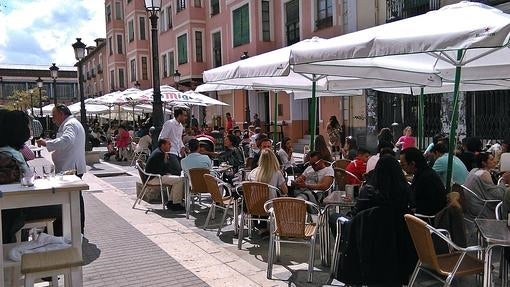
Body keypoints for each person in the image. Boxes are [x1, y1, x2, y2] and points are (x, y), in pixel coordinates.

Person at [36, 105, 87, 233]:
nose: (53, 119)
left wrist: (47, 143)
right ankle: (76, 227)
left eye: (54, 116)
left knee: (74, 198)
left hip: (70, 168)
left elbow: (67, 140)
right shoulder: (71, 123)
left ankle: (76, 228)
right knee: (75, 198)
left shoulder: (70, 124)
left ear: (61, 113)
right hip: (70, 166)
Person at [463, 152, 510, 220]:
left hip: (469, 207)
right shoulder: (484, 174)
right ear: (484, 163)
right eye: (491, 159)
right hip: (480, 209)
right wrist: (503, 180)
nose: (494, 161)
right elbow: (499, 195)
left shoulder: (474, 170)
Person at [400, 148, 447, 216]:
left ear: (412, 164)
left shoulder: (426, 178)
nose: (402, 168)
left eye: (403, 164)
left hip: (427, 219)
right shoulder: (425, 173)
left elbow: (430, 207)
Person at [145, 139, 185, 211]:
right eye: (169, 144)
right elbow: (161, 169)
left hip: (152, 176)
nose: (171, 146)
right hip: (154, 178)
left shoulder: (159, 152)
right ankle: (176, 203)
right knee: (179, 180)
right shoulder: (160, 154)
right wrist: (166, 161)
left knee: (176, 179)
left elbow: (160, 168)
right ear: (163, 145)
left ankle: (171, 202)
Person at [159, 107, 188, 175]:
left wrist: (182, 147)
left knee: (179, 171)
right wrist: (165, 152)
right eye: (184, 115)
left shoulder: (181, 126)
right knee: (177, 170)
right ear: (179, 115)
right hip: (170, 152)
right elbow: (161, 138)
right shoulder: (169, 124)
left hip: (178, 152)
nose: (186, 118)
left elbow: (179, 139)